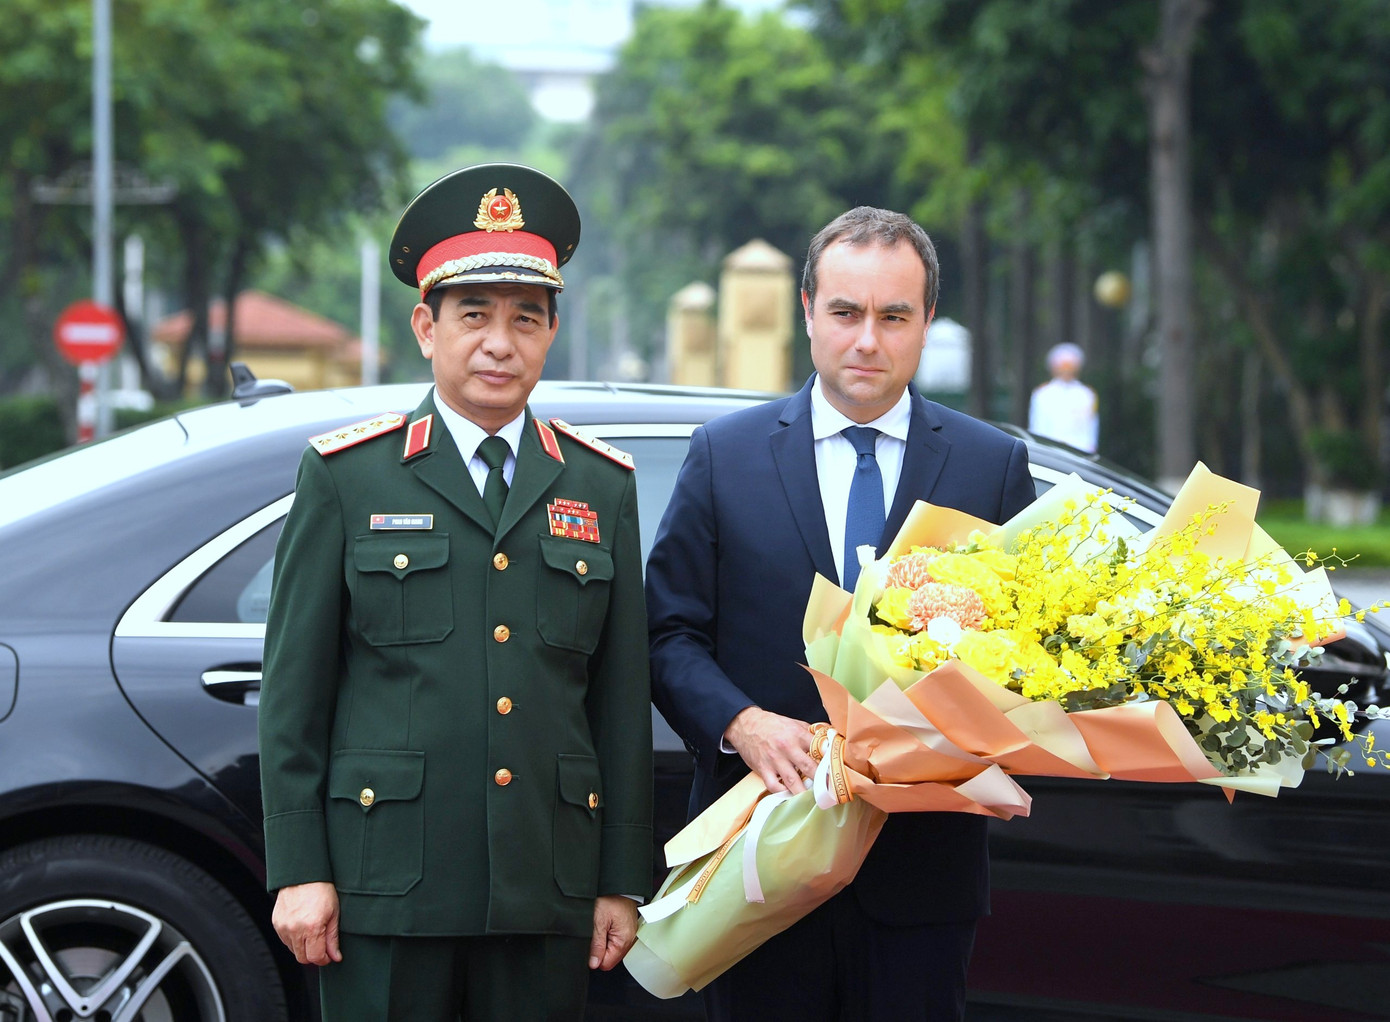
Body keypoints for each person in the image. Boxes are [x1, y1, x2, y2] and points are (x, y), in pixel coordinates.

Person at [258, 164, 652, 1022]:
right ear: (425, 327)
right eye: (473, 315)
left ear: (552, 333)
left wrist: (622, 879)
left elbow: (622, 704)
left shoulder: (602, 485)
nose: (499, 344)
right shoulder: (348, 477)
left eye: (525, 319)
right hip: (387, 882)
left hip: (545, 884)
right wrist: (298, 867)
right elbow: (294, 694)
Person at [646, 206, 1036, 1021]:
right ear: (807, 313)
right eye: (846, 312)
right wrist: (742, 722)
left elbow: (1026, 652)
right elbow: (668, 633)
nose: (868, 340)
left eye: (894, 316)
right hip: (757, 856)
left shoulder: (990, 465)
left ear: (928, 321)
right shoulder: (726, 455)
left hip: (920, 878)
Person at [1028, 341, 1098, 452]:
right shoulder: (1042, 393)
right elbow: (1037, 427)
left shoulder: (1086, 394)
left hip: (1080, 452)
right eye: (1062, 367)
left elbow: (1090, 429)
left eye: (1070, 367)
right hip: (1050, 451)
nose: (1066, 371)